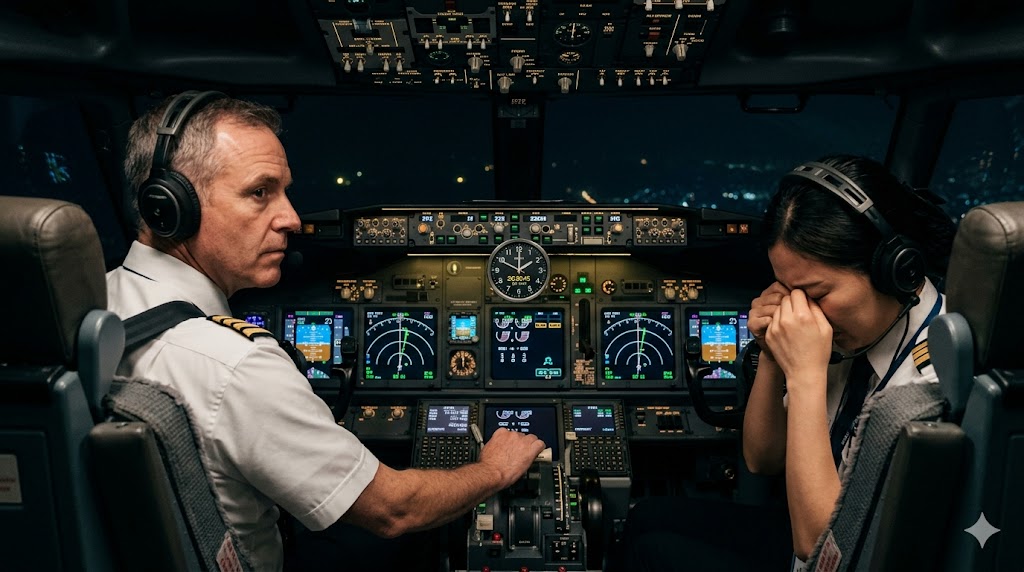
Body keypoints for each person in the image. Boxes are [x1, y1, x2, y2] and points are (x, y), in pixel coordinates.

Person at [107, 91, 546, 571]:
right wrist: (495, 469)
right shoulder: (236, 365)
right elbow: (395, 509)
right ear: (169, 205)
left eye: (285, 191)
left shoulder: (96, 305)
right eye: (260, 192)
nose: (291, 218)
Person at [623, 154, 956, 571]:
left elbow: (823, 548)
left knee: (652, 554)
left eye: (814, 293)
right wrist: (770, 353)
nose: (798, 313)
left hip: (833, 555)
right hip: (806, 532)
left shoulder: (930, 383)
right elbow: (762, 459)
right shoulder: (855, 333)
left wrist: (805, 374)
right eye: (786, 290)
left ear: (895, 270)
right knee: (645, 518)